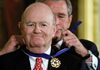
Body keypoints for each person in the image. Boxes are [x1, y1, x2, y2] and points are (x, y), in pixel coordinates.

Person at [0, 0, 99, 70]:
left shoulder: (83, 51)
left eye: (61, 16)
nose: (55, 21)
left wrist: (85, 54)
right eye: (49, 14)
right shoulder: (14, 50)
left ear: (69, 21)